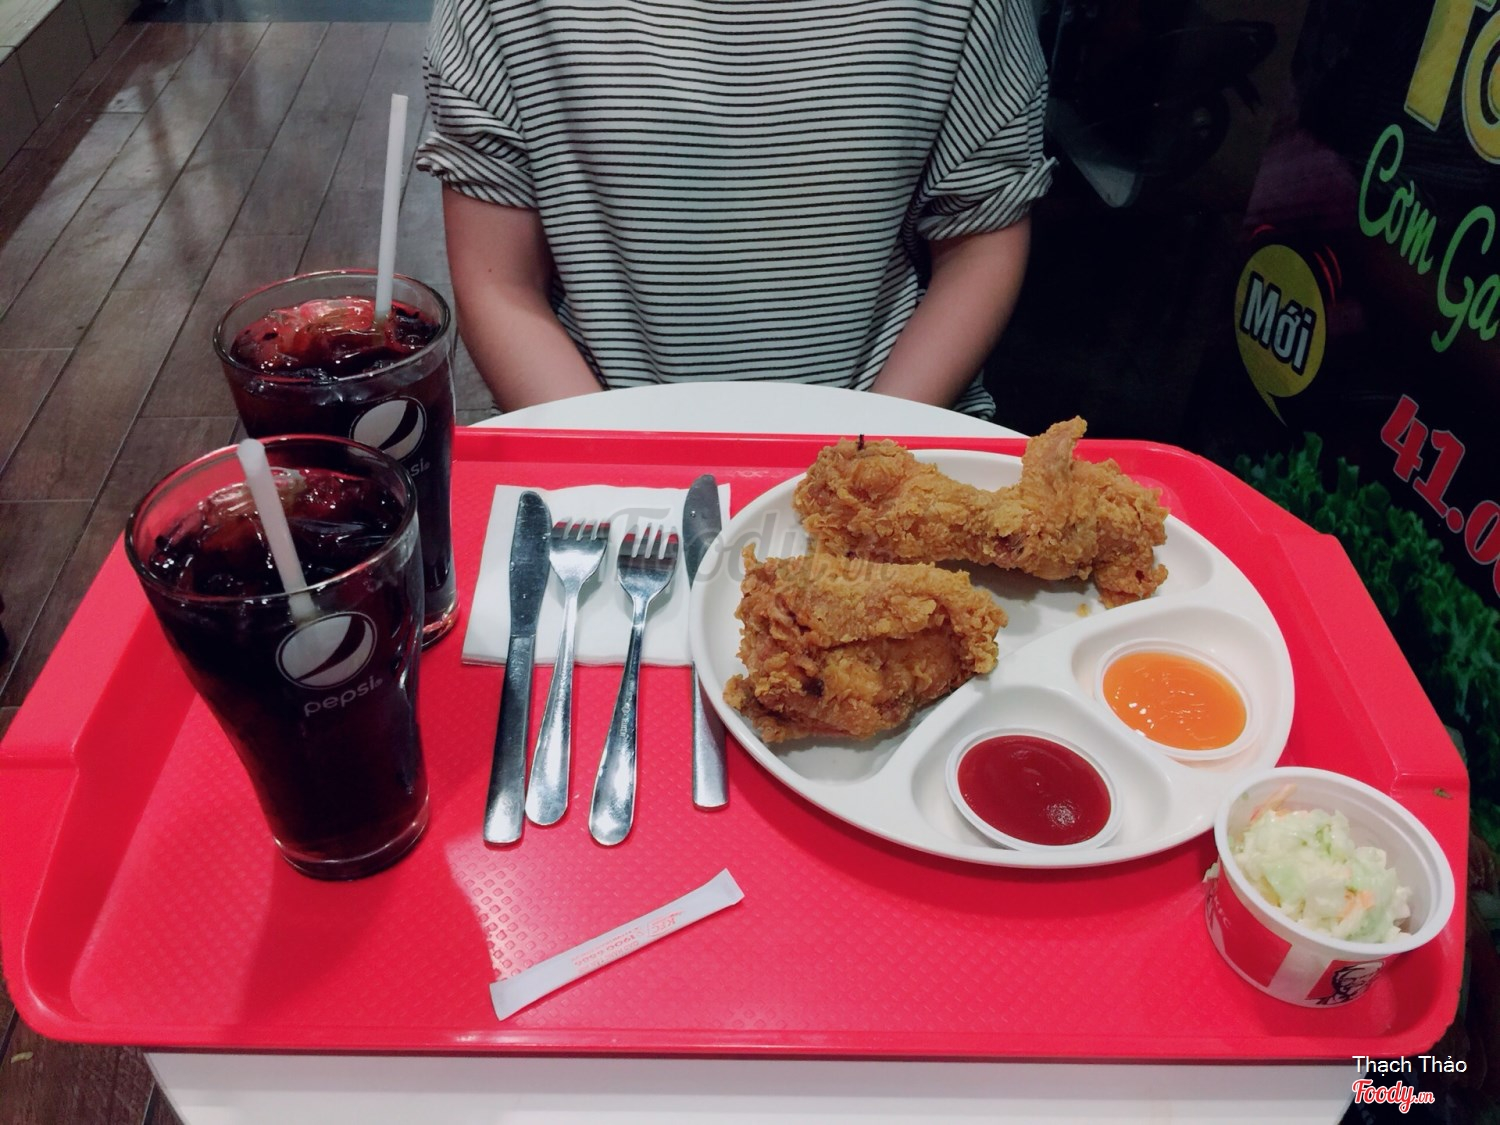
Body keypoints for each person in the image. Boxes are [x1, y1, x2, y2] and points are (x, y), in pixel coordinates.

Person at [416, 0, 1054, 419]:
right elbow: (502, 282)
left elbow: (977, 240)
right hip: (592, 423)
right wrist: (606, 464)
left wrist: (872, 454)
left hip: (895, 418)